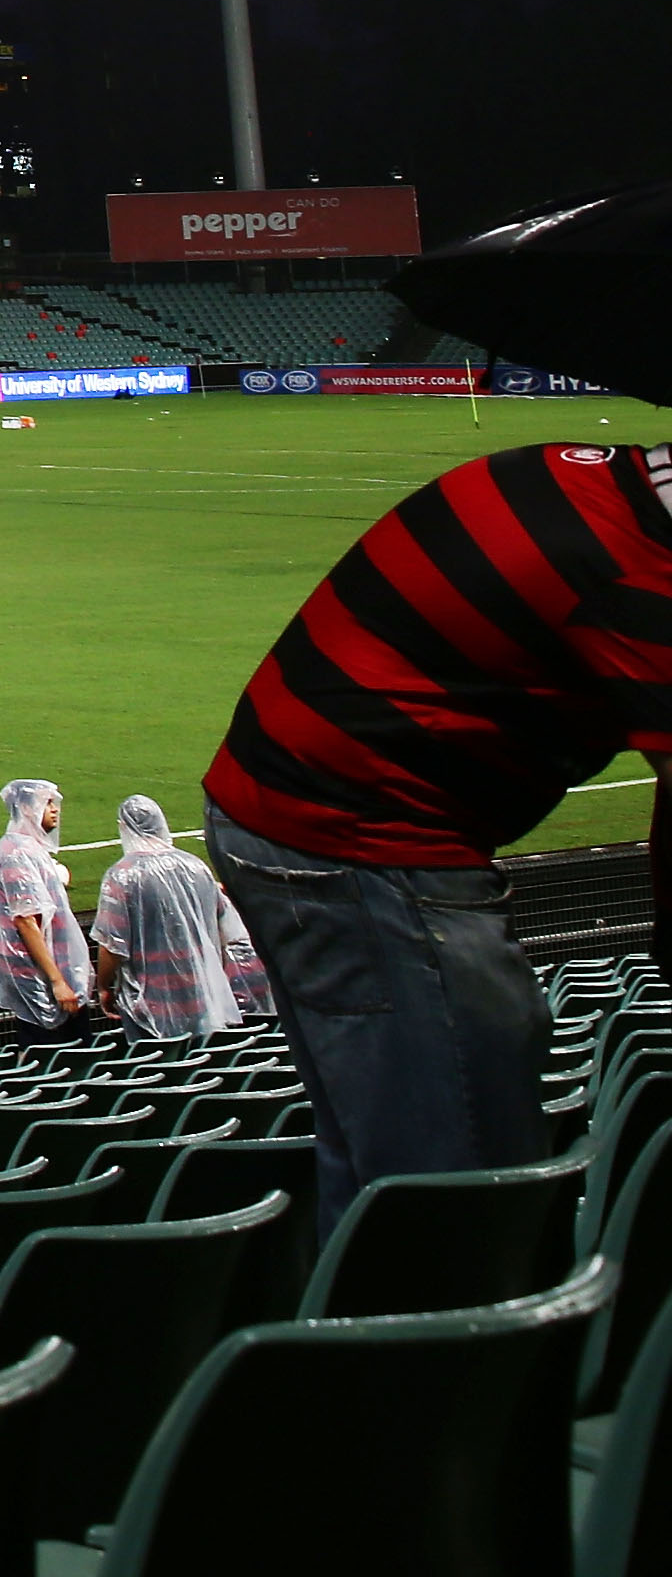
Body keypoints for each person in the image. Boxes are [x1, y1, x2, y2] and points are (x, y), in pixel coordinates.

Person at [203, 438, 672, 1227]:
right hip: (353, 838)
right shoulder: (643, 577)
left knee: (385, 1155)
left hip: (292, 806)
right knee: (462, 1179)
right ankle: (446, 1336)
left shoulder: (570, 471)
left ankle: (367, 1326)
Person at [90, 794, 269, 1041]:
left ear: (124, 827)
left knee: (157, 1067)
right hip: (199, 994)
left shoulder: (121, 876)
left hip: (149, 1002)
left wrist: (103, 987)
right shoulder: (197, 867)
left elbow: (111, 943)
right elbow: (224, 929)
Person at [0, 778, 95, 1041]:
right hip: (40, 978)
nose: (55, 809)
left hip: (53, 974)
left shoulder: (29, 849)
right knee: (52, 1055)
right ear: (26, 809)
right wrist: (57, 981)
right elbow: (26, 921)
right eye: (47, 803)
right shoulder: (15, 854)